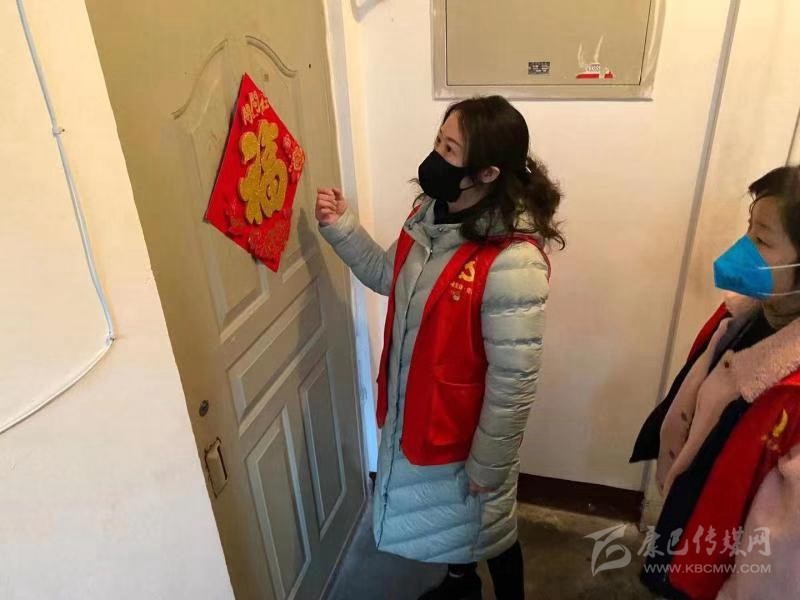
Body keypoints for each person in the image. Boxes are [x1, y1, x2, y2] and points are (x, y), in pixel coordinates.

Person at [315, 96, 563, 600]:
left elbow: (513, 382)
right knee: (457, 523)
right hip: (425, 412)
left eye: (450, 149)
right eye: (439, 140)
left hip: (469, 430)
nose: (436, 156)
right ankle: (459, 585)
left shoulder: (513, 261)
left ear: (488, 172)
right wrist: (343, 226)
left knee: (489, 525)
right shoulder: (428, 216)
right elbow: (390, 276)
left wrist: (489, 462)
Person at [631, 165, 800, 599]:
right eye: (749, 230)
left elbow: (784, 545)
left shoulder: (794, 386)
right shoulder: (741, 316)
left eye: (762, 240)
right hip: (693, 513)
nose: (743, 248)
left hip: (736, 566)